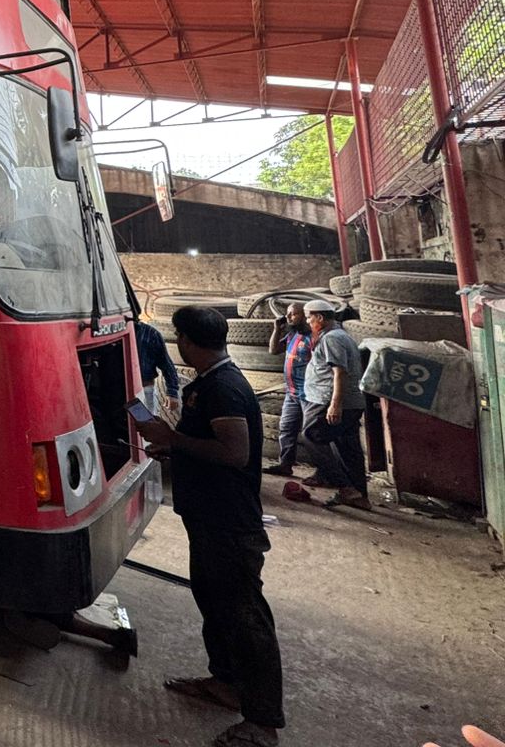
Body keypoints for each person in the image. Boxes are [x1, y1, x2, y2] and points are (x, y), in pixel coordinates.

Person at [139, 305, 284, 747]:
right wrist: (176, 453)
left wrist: (172, 440)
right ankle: (225, 682)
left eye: (178, 336)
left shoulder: (224, 387)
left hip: (228, 519)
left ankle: (262, 722)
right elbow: (210, 447)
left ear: (185, 339)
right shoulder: (209, 382)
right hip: (207, 514)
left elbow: (234, 452)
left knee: (244, 615)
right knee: (214, 600)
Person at [299, 299, 370, 511]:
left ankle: (345, 487)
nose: (308, 321)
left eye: (309, 317)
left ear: (320, 318)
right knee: (348, 448)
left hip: (328, 400)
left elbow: (339, 373)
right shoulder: (339, 336)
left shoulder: (332, 339)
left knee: (311, 436)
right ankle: (359, 496)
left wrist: (334, 405)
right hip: (350, 402)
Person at [263, 303, 313, 477]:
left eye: (293, 314)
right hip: (292, 393)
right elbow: (273, 350)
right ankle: (285, 464)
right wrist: (277, 329)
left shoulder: (313, 337)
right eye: (288, 314)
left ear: (305, 315)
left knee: (312, 434)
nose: (289, 317)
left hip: (309, 395)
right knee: (286, 429)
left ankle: (325, 473)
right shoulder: (293, 335)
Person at [134, 317, 180, 408]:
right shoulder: (110, 331)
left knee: (148, 420)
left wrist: (172, 392)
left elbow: (166, 363)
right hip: (119, 390)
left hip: (145, 388)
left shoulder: (150, 333)